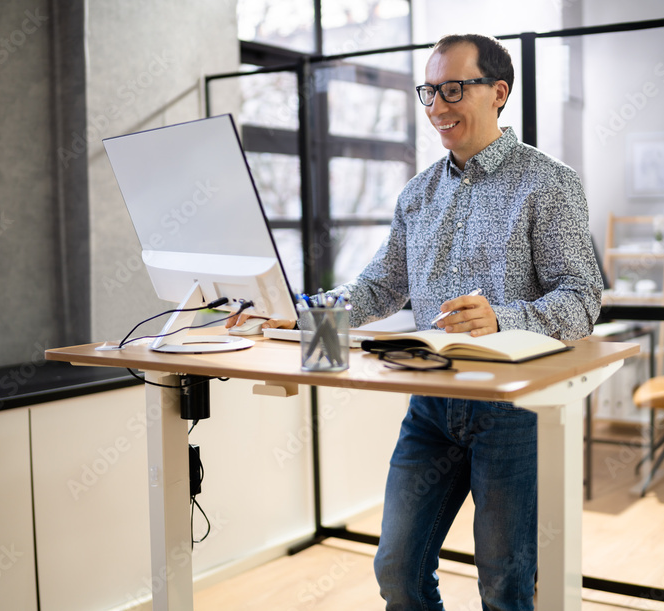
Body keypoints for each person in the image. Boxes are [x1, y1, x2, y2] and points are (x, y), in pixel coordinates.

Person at [234, 33, 602, 611]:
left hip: (512, 411)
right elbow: (379, 287)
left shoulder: (548, 183)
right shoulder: (417, 193)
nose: (436, 106)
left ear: (498, 92)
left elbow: (582, 299)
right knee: (397, 571)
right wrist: (296, 316)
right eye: (428, 91)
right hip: (430, 405)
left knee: (505, 586)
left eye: (453, 88)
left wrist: (501, 320)